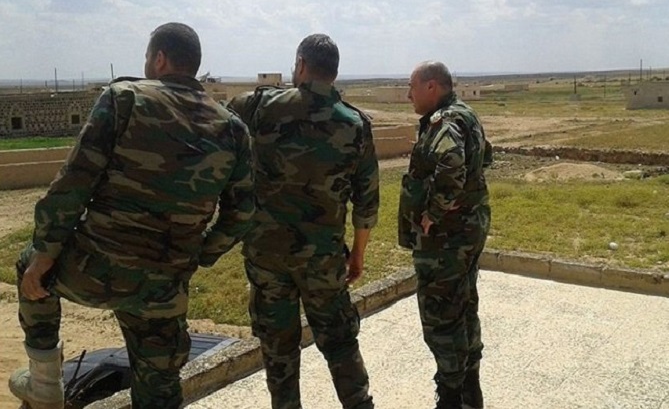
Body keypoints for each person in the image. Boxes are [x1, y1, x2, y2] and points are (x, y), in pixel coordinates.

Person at [9, 22, 255, 409]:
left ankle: (43, 382)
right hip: (165, 284)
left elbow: (74, 183)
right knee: (159, 386)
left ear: (159, 59)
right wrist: (200, 254)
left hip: (95, 270)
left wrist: (45, 254)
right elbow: (242, 213)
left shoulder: (125, 99)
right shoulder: (233, 129)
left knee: (29, 265)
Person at [227, 33, 379, 409]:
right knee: (340, 343)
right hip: (323, 260)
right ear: (334, 72)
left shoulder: (259, 106)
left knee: (278, 349)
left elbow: (218, 127)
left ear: (300, 65)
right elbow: (366, 204)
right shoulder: (355, 124)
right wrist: (357, 256)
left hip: (267, 257)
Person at [398, 61, 492, 409]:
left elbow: (451, 163)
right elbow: (483, 158)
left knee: (441, 315)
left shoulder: (445, 121)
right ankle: (470, 391)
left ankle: (451, 396)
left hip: (447, 239)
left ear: (431, 87)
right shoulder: (466, 114)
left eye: (412, 87)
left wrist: (434, 212)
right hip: (469, 228)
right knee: (464, 305)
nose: (408, 95)